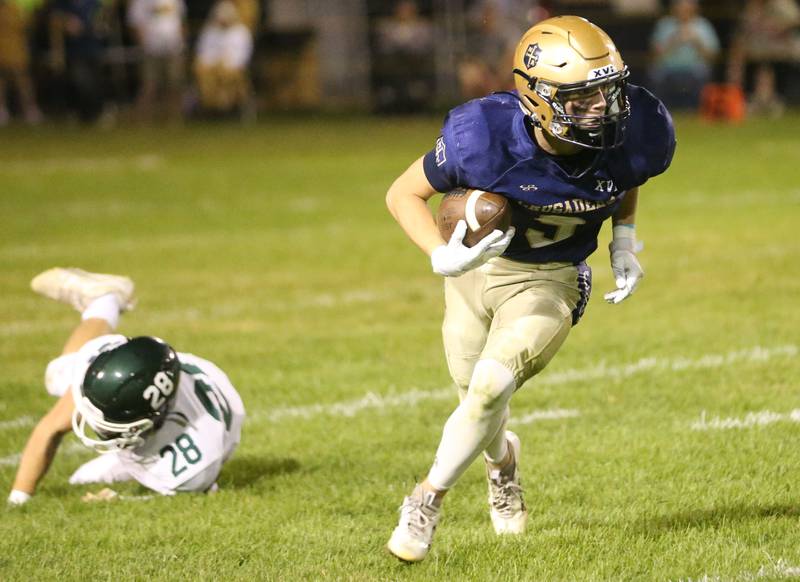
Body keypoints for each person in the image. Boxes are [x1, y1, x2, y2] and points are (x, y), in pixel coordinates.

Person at [385, 15, 675, 562]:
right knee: (473, 393)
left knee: (492, 387)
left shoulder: (637, 129)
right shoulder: (486, 137)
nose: (605, 110)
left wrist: (624, 240)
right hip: (475, 273)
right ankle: (502, 462)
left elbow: (626, 175)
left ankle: (425, 501)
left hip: (553, 278)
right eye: (584, 98)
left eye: (608, 94)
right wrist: (440, 254)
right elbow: (402, 194)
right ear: (537, 99)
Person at [7, 267, 245, 506]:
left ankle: (105, 300)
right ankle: (104, 300)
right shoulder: (122, 379)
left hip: (210, 422)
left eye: (113, 427)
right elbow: (49, 429)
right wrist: (18, 499)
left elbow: (189, 495)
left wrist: (119, 499)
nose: (102, 433)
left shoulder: (194, 463)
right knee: (57, 375)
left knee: (81, 479)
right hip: (176, 391)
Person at [728, 0, 800, 117]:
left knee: (785, 55)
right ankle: (746, 97)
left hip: (784, 46)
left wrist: (780, 26)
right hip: (761, 48)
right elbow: (745, 32)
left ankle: (777, 98)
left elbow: (795, 21)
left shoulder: (783, 4)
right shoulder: (751, 7)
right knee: (743, 55)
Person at [648, 0, 720, 111]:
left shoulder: (703, 25)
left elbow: (712, 56)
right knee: (656, 74)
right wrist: (673, 40)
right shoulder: (665, 25)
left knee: (701, 74)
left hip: (695, 70)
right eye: (680, 6)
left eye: (687, 7)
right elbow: (655, 54)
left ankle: (696, 110)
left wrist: (696, 42)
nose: (683, 10)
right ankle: (659, 111)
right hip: (668, 69)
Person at [127, 0, 187, 122]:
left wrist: (182, 43)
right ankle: (143, 119)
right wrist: (144, 43)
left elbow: (182, 20)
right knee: (149, 85)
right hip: (151, 49)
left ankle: (174, 119)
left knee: (174, 84)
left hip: (173, 48)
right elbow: (135, 23)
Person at [193, 0, 253, 116]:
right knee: (203, 72)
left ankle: (228, 106)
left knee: (226, 74)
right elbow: (203, 52)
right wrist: (214, 63)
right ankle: (210, 106)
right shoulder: (210, 31)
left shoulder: (241, 32)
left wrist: (228, 63)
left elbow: (243, 55)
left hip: (232, 67)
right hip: (212, 66)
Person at [0, 0, 43, 125]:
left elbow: (25, 26)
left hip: (16, 48)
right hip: (5, 48)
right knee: (2, 80)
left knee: (22, 79)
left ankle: (30, 109)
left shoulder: (14, 9)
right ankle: (2, 109)